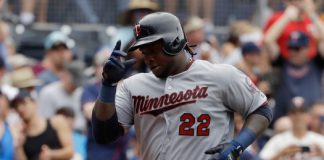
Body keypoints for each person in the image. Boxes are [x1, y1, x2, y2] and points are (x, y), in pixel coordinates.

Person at [92, 12, 272, 160]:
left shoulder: (220, 75)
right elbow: (104, 135)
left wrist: (237, 145)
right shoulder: (134, 85)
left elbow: (261, 109)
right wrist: (108, 85)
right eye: (144, 52)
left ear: (174, 42)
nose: (148, 58)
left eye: (153, 50)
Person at [12, 89, 73, 160]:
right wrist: (18, 146)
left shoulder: (56, 122)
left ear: (34, 103)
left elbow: (70, 152)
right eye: (16, 106)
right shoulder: (21, 134)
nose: (20, 108)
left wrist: (51, 154)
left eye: (24, 103)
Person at [259, 97, 324, 160]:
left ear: (308, 115)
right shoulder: (278, 140)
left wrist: (322, 154)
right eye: (294, 113)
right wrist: (281, 154)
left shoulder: (320, 140)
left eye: (302, 112)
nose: (298, 116)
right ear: (289, 115)